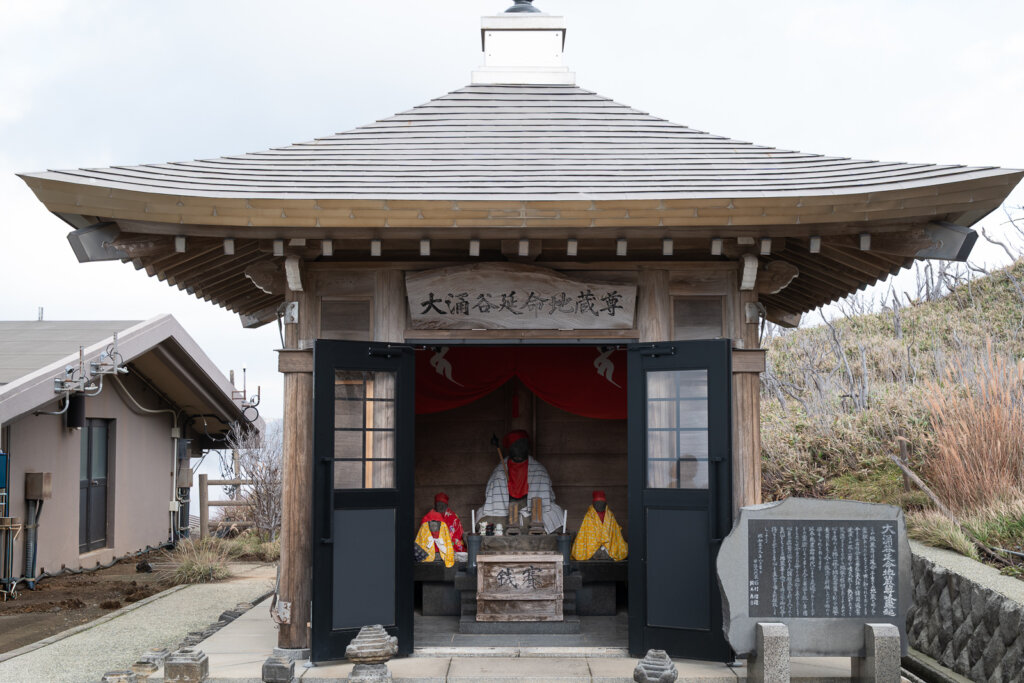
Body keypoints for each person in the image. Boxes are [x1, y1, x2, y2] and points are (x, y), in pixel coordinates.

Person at [476, 429, 563, 534]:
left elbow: (549, 498)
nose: (520, 448)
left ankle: (530, 527)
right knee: (483, 520)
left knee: (556, 513)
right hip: (506, 508)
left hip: (532, 510)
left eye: (523, 445)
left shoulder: (538, 470)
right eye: (516, 445)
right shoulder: (500, 471)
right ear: (510, 448)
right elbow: (491, 499)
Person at [571, 490, 628, 561]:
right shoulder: (589, 516)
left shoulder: (610, 516)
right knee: (593, 554)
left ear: (605, 503)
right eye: (597, 503)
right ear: (593, 503)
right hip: (593, 548)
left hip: (608, 547)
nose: (600, 505)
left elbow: (614, 534)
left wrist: (604, 542)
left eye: (602, 503)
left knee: (611, 553)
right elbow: (586, 535)